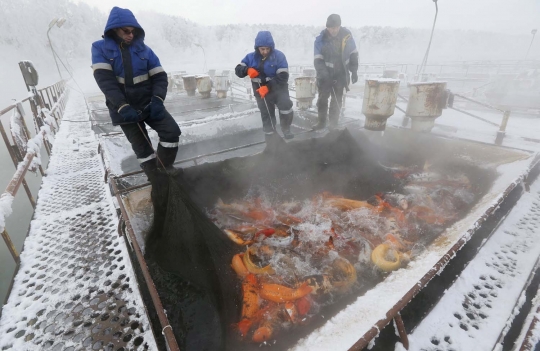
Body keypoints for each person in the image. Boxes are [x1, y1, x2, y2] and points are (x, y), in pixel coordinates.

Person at [91, 7, 181, 179]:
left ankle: (165, 169)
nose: (130, 35)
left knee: (171, 132)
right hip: (123, 109)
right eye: (126, 31)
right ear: (114, 29)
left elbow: (160, 77)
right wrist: (122, 106)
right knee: (142, 148)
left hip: (148, 103)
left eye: (133, 31)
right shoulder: (99, 48)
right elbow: (106, 82)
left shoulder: (145, 50)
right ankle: (155, 179)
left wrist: (157, 99)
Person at [235, 31, 295, 142]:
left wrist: (268, 87)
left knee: (286, 107)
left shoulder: (279, 56)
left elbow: (283, 76)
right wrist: (246, 70)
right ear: (257, 48)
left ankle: (286, 129)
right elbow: (238, 70)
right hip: (259, 90)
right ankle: (271, 137)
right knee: (266, 114)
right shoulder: (250, 58)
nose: (265, 52)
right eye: (262, 49)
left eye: (267, 49)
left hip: (278, 89)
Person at [313, 14, 359, 130]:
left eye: (336, 27)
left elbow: (353, 54)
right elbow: (318, 61)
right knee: (323, 99)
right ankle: (321, 122)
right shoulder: (320, 40)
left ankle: (333, 124)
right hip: (324, 75)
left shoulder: (347, 37)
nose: (334, 30)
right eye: (331, 28)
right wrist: (325, 75)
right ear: (327, 27)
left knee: (336, 100)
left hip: (340, 74)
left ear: (339, 26)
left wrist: (354, 71)